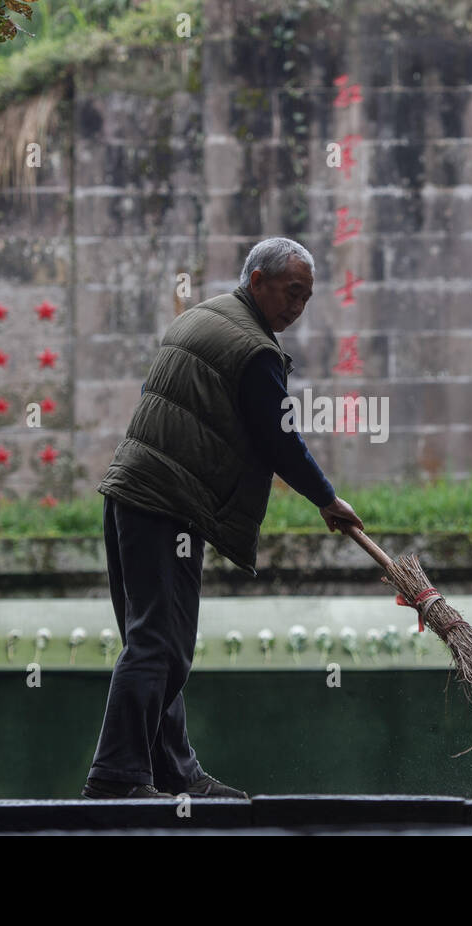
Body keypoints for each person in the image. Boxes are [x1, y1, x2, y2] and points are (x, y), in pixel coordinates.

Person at [83, 237, 364, 799]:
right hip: (165, 502)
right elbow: (280, 437)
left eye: (306, 298)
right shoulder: (253, 349)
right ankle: (117, 777)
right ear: (256, 280)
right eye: (291, 292)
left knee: (155, 640)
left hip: (131, 494)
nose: (296, 307)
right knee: (159, 643)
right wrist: (326, 499)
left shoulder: (202, 319)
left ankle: (174, 771)